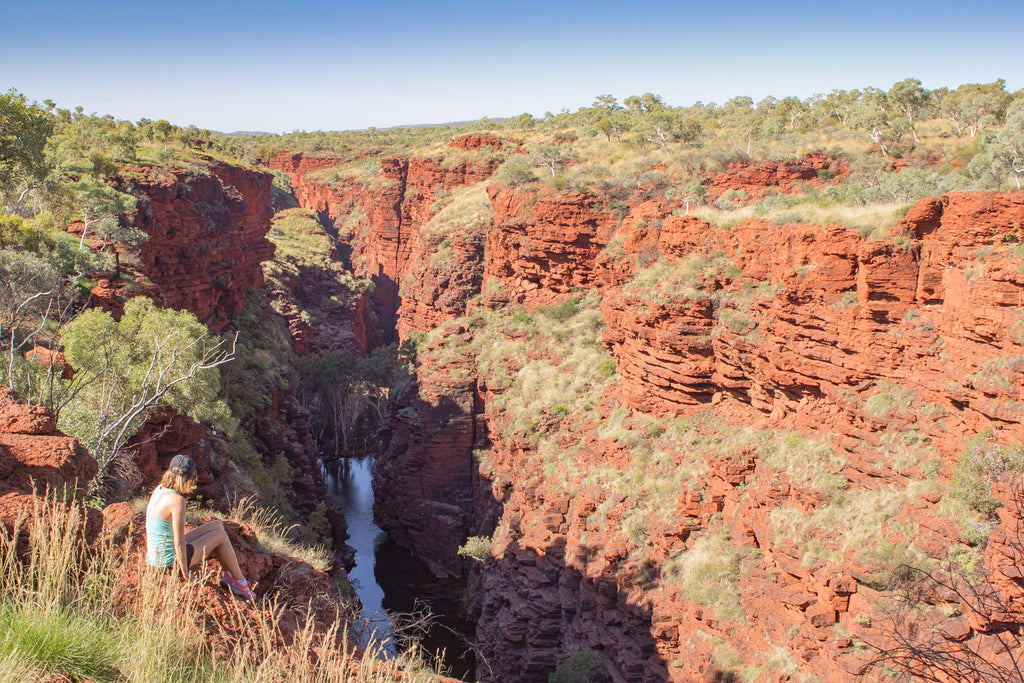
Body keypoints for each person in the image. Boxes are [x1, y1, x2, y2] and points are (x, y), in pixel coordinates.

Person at [145, 454, 255, 600]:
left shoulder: (159, 489)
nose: (193, 483)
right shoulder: (177, 501)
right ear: (186, 478)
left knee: (217, 525)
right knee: (221, 537)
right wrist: (184, 573)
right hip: (169, 564)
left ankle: (230, 576)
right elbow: (178, 542)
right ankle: (241, 584)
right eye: (192, 478)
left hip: (158, 556)